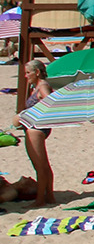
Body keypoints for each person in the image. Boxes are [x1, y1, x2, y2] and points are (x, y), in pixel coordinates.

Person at [18, 59, 55, 208]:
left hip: (36, 128)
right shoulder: (39, 86)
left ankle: (40, 200)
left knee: (40, 166)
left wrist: (29, 113)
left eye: (28, 73)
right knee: (44, 165)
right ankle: (50, 196)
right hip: (39, 127)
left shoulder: (42, 87)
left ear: (37, 72)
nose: (26, 76)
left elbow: (50, 103)